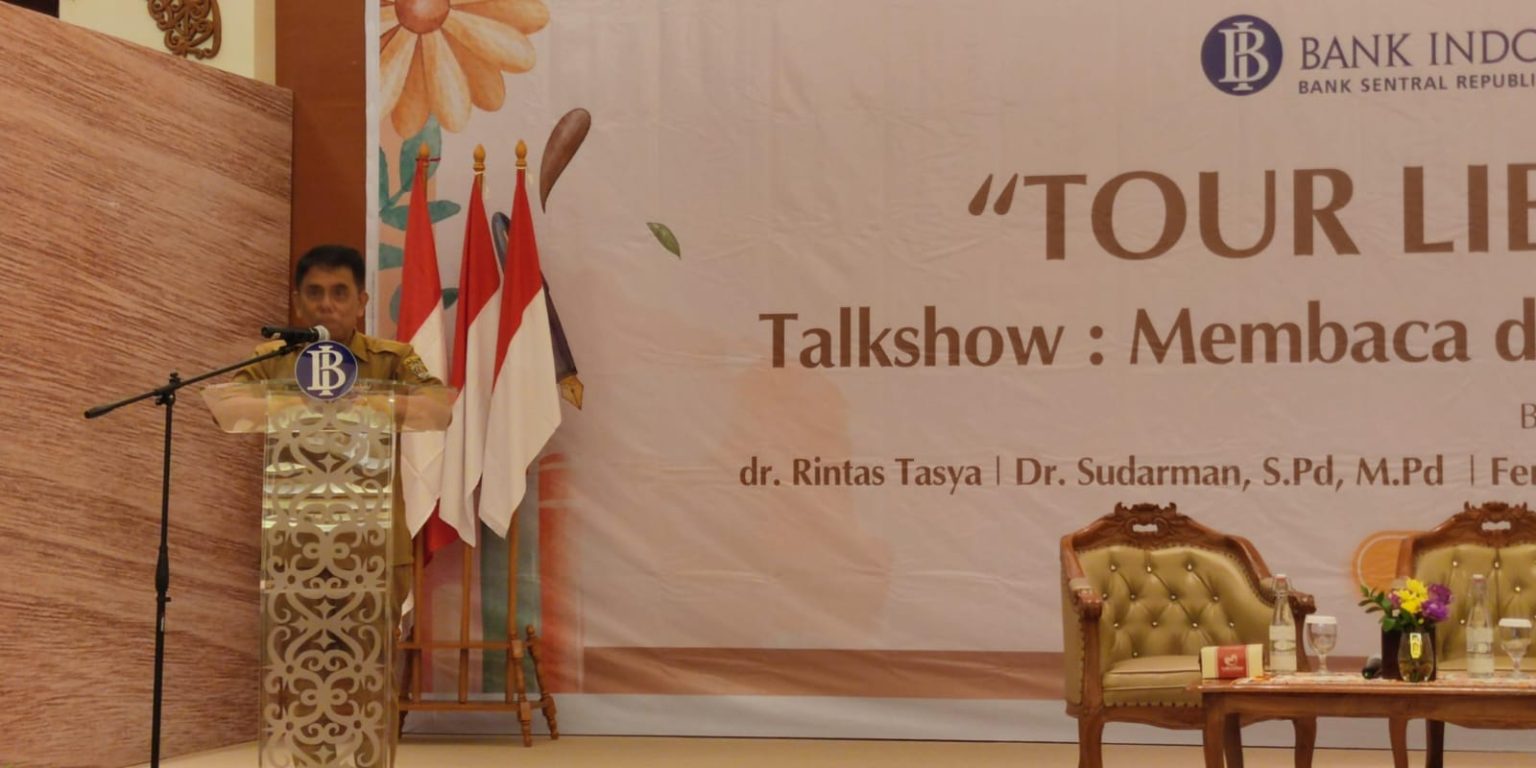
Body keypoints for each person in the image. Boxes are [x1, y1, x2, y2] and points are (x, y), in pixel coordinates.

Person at [234, 244, 442, 612]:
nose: (326, 305)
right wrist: (298, 404)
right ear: (298, 304)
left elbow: (438, 408)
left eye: (339, 293)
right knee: (296, 648)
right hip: (295, 548)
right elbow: (231, 406)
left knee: (370, 649)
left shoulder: (391, 359)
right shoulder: (273, 360)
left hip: (374, 547)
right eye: (315, 293)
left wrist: (369, 403)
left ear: (361, 302)